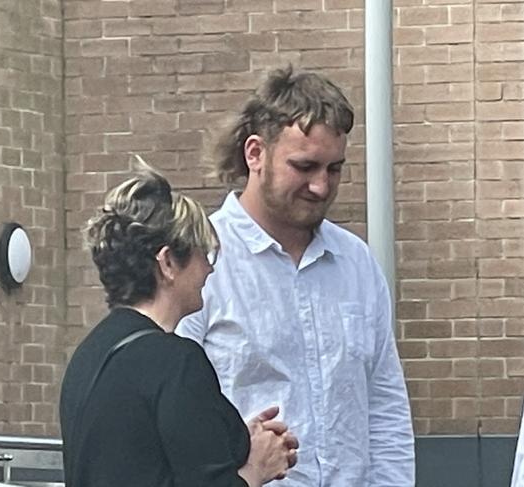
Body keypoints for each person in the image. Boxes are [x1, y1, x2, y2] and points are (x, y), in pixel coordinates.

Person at [176, 66, 415, 486]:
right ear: (255, 154)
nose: (321, 186)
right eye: (304, 167)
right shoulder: (203, 261)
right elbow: (178, 415)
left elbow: (384, 407)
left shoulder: (357, 263)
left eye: (334, 169)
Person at [59, 167, 298, 487]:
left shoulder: (89, 354)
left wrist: (239, 441)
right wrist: (257, 467)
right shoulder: (176, 361)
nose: (210, 269)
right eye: (203, 254)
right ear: (168, 262)